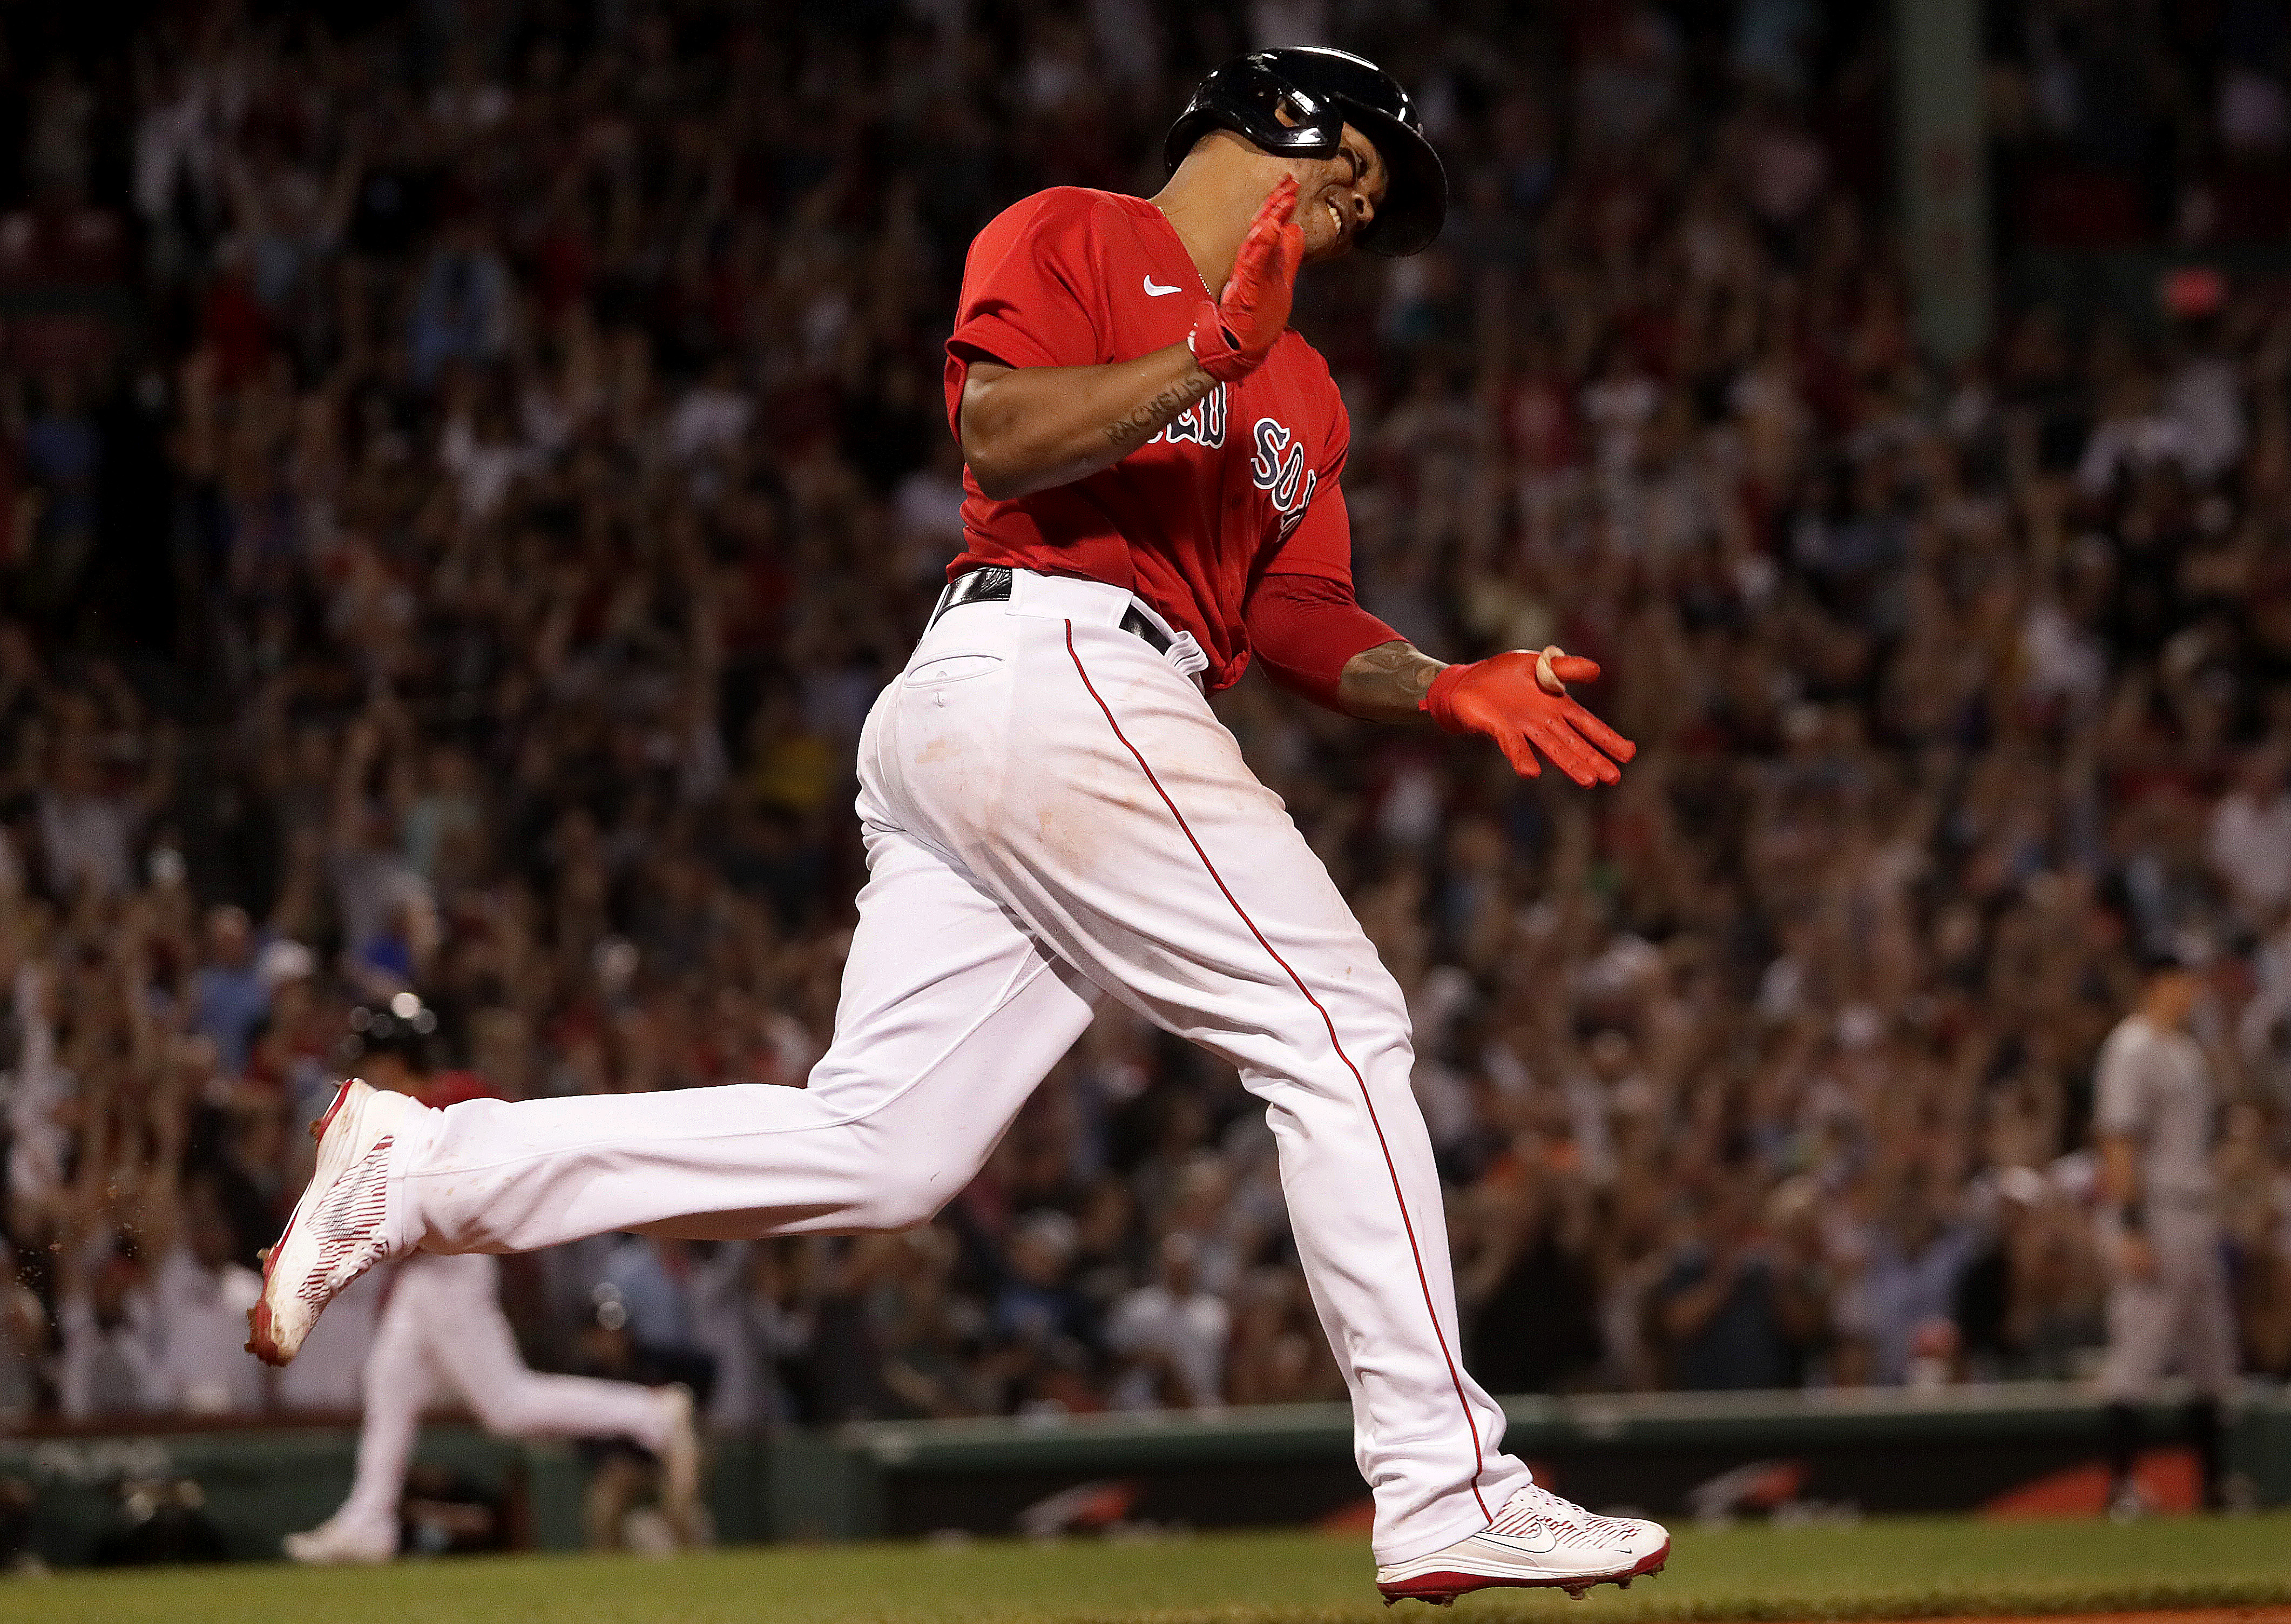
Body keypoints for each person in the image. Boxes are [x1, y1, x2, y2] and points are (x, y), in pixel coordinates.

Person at [249, 49, 1664, 1601]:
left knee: (887, 1148)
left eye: (1372, 200)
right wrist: (1200, 353)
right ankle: (1445, 1482)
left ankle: (419, 1175)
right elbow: (1000, 440)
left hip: (1052, 710)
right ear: (1273, 120)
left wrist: (1440, 680)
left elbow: (1302, 610)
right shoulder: (1072, 231)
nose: (1352, 207)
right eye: (1353, 167)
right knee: (1338, 1028)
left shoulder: (1305, 388)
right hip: (1041, 658)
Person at [281, 999, 700, 1564]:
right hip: (426, 1272)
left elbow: (519, 1142)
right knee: (389, 1380)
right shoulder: (413, 1107)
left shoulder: (452, 1095)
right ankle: (369, 1518)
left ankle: (650, 1413)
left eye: (374, 1059)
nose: (367, 1073)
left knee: (507, 1404)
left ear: (397, 1057)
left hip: (452, 1268)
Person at [2092, 943, 2238, 1518]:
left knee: (2211, 1354)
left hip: (2195, 1210)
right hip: (2153, 1210)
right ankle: (2120, 1486)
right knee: (2138, 1350)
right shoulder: (2131, 1046)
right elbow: (2118, 1139)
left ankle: (2215, 1487)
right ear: (2158, 982)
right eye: (2183, 978)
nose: (2192, 989)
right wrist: (2129, 1227)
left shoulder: (2185, 1050)